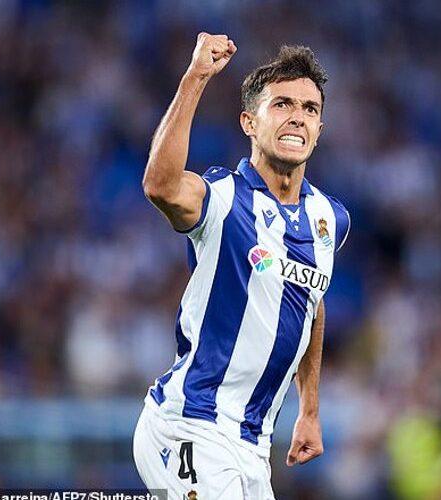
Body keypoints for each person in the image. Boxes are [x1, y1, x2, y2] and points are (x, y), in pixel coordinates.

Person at [133, 32, 350, 499]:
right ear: (249, 122)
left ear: (319, 130)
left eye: (309, 109)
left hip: (253, 448)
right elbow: (160, 186)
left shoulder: (330, 219)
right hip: (190, 425)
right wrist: (196, 77)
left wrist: (309, 409)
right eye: (282, 104)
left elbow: (311, 303)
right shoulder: (224, 198)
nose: (298, 117)